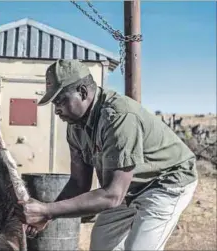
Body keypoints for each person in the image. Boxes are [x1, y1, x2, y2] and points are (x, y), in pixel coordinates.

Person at [18, 59, 198, 250]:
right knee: (102, 245)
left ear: (83, 92)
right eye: (54, 103)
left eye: (60, 100)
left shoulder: (119, 117)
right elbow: (79, 184)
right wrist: (47, 215)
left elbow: (112, 195)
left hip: (166, 182)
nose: (57, 110)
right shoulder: (75, 128)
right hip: (128, 188)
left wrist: (47, 210)